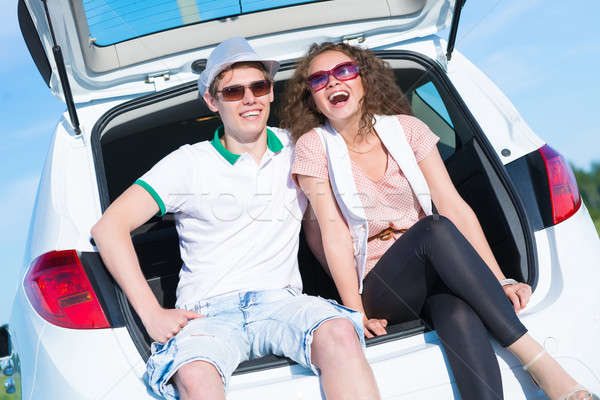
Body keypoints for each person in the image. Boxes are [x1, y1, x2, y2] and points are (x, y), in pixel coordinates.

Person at [280, 41, 596, 400]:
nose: (333, 82)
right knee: (433, 230)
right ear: (312, 96)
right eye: (319, 79)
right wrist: (356, 312)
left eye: (344, 71)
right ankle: (540, 363)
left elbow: (453, 205)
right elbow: (332, 233)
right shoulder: (313, 147)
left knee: (458, 312)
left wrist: (499, 279)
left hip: (436, 270)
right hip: (380, 285)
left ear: (363, 79)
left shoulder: (408, 130)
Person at [91, 37, 381, 400]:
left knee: (341, 332)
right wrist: (151, 313)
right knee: (195, 375)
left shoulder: (300, 148)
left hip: (283, 303)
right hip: (207, 314)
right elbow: (109, 228)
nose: (249, 98)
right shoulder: (187, 162)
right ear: (212, 101)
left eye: (258, 86)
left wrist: (361, 302)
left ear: (271, 92)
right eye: (233, 92)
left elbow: (344, 213)